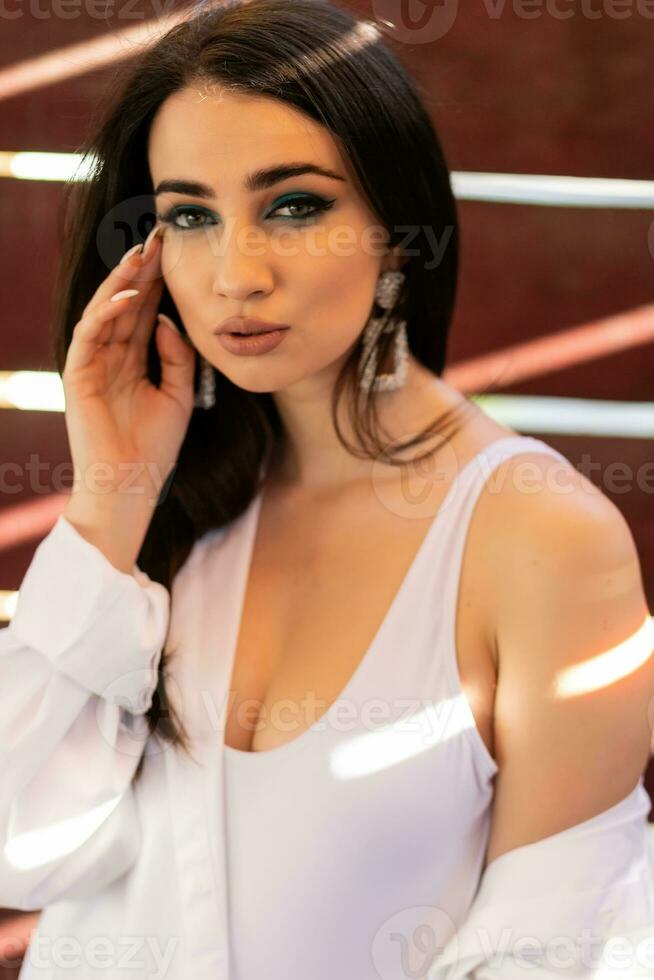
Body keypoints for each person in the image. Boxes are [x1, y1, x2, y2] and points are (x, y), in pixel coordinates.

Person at [2, 1, 654, 977]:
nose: (236, 273)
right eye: (190, 214)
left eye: (294, 205)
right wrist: (109, 497)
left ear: (398, 223)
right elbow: (25, 849)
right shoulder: (165, 504)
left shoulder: (542, 538)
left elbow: (554, 949)